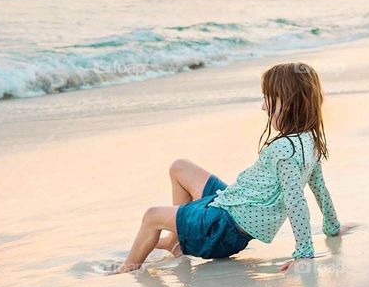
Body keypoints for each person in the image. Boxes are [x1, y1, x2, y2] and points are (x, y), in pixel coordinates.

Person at [115, 62, 341, 274]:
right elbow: (319, 187)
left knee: (152, 216)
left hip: (222, 230)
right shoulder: (310, 141)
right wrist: (332, 227)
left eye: (269, 99)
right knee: (180, 167)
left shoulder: (284, 149)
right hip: (229, 204)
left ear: (289, 104)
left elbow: (295, 200)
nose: (264, 106)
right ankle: (176, 242)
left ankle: (127, 268)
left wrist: (304, 254)